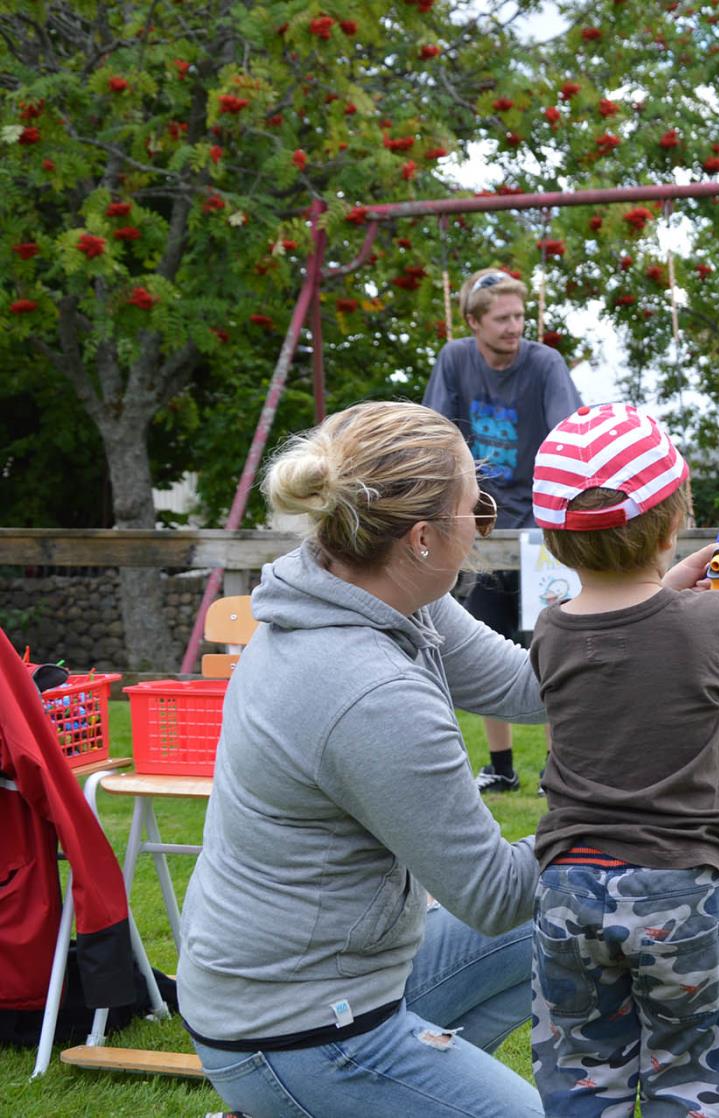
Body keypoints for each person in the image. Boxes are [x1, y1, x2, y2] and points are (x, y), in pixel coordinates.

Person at [176, 401, 548, 1117]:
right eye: (480, 511)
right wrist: (618, 813)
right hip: (291, 1028)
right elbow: (495, 894)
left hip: (333, 982)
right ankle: (309, 1097)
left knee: (566, 920)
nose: (482, 528)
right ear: (420, 538)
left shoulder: (378, 590)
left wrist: (649, 628)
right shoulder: (368, 691)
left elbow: (525, 686)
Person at [526, 403, 719, 1117]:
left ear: (553, 539)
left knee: (582, 1080)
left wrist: (681, 581)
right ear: (674, 518)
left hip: (568, 891)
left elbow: (627, 619)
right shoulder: (708, 623)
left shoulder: (550, 632)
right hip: (681, 891)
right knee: (687, 1081)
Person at [423, 267, 583, 793]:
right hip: (482, 521)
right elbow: (437, 434)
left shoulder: (545, 364)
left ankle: (555, 770)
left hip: (540, 527)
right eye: (502, 318)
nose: (515, 327)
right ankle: (501, 766)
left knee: (551, 642)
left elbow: (568, 433)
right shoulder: (455, 360)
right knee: (488, 642)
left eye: (520, 316)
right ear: (474, 321)